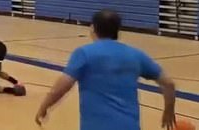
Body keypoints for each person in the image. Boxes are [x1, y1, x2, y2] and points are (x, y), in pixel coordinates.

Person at [35, 10, 176, 130]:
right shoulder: (136, 54)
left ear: (93, 28)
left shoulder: (84, 53)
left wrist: (44, 106)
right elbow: (169, 83)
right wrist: (169, 110)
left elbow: (62, 86)